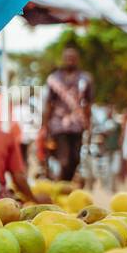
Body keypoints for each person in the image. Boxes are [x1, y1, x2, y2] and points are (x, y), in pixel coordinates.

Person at [43, 43, 94, 181]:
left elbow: (88, 104)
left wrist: (89, 125)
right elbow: (48, 104)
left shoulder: (86, 78)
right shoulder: (54, 78)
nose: (70, 60)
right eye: (68, 57)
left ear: (77, 59)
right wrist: (45, 127)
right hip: (58, 125)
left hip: (78, 125)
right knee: (63, 160)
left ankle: (66, 185)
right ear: (63, 59)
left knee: (76, 159)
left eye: (73, 57)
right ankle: (61, 186)